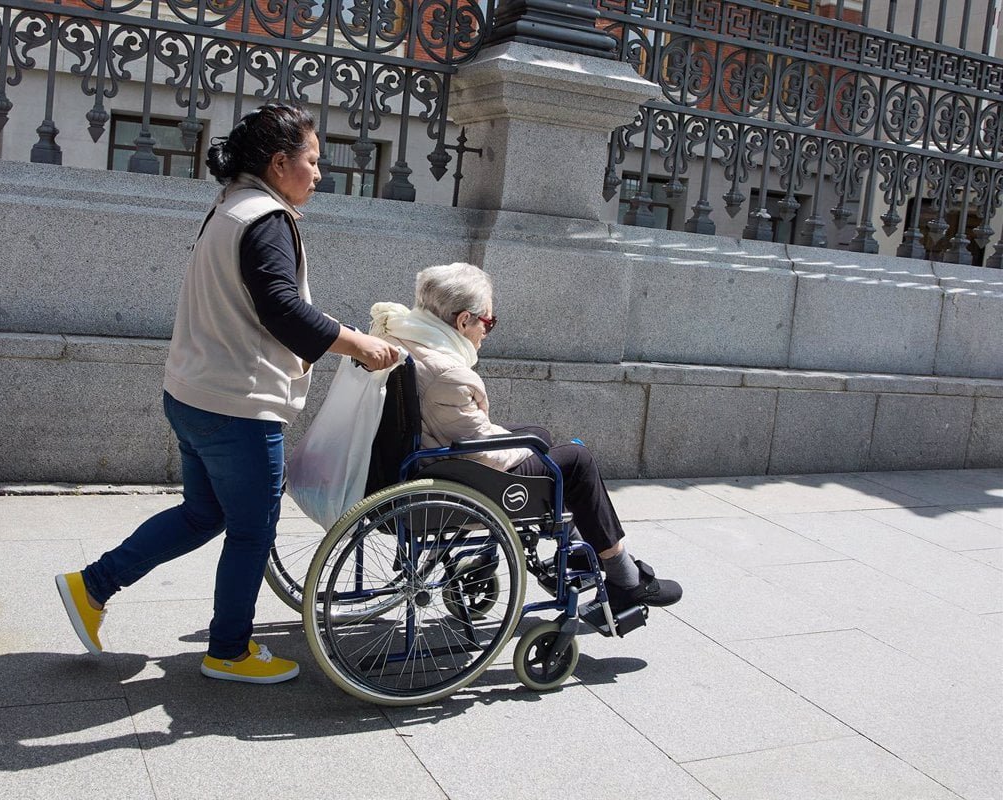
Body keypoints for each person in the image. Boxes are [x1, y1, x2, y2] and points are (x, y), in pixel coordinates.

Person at [55, 104, 398, 684]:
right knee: (251, 530)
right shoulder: (267, 217)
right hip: (238, 406)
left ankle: (92, 586)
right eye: (312, 162)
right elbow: (282, 312)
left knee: (203, 512)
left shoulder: (231, 208)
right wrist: (358, 346)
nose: (319, 175)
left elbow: (264, 304)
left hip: (194, 394)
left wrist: (339, 329)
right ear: (279, 161)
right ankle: (230, 651)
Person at [370, 262, 681, 612]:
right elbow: (484, 454)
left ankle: (581, 549)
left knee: (541, 435)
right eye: (487, 322)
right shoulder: (448, 374)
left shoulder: (401, 337)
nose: (486, 331)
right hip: (444, 477)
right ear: (463, 321)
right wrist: (527, 448)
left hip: (414, 459)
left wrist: (528, 442)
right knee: (576, 461)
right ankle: (625, 578)